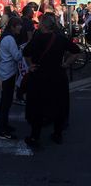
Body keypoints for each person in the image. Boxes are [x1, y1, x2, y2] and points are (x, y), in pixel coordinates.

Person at [22, 14, 81, 148]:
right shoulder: (60, 38)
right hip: (57, 75)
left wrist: (30, 65)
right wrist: (66, 64)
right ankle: (57, 134)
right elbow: (76, 51)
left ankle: (35, 136)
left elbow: (25, 52)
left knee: (37, 106)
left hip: (39, 76)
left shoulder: (37, 39)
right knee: (58, 104)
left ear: (43, 25)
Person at [0, 16, 23, 140]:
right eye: (19, 25)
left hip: (6, 71)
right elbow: (17, 56)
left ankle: (5, 124)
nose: (20, 27)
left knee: (6, 100)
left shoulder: (6, 36)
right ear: (13, 26)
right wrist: (22, 49)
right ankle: (2, 130)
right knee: (6, 101)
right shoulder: (10, 39)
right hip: (8, 72)